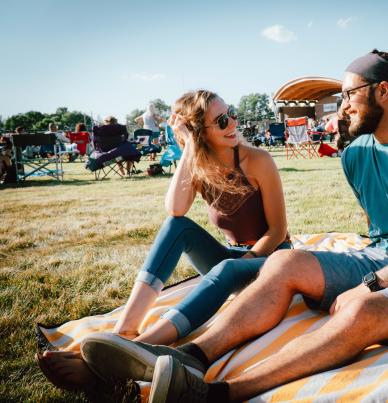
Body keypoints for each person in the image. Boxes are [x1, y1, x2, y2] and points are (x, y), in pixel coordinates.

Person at [78, 39, 388, 403]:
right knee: (283, 262)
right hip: (382, 256)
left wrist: (370, 286)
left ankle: (218, 394)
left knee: (360, 313)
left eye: (349, 95)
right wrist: (369, 272)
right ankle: (187, 357)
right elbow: (384, 231)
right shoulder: (356, 154)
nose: (342, 105)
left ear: (382, 92)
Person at [36, 89, 290, 392]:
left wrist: (243, 262)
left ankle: (129, 351)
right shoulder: (198, 164)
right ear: (198, 132)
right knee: (176, 226)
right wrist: (190, 149)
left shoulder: (257, 160)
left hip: (270, 260)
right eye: (222, 120)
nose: (233, 123)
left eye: (231, 114)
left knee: (227, 269)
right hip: (231, 257)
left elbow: (277, 232)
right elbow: (175, 209)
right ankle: (125, 331)